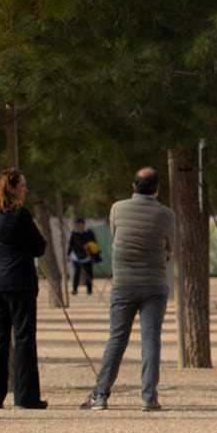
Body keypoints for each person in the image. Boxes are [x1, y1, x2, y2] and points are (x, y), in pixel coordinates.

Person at [82, 166, 174, 412]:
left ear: (133, 186)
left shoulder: (117, 208)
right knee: (151, 338)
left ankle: (100, 394)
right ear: (157, 188)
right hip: (154, 283)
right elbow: (170, 246)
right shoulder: (166, 215)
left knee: (117, 338)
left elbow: (115, 235)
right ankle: (148, 397)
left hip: (123, 283)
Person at [0, 168, 48, 409]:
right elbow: (38, 247)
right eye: (22, 185)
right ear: (12, 188)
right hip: (18, 282)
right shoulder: (19, 216)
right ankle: (26, 396)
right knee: (24, 338)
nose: (25, 189)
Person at [66, 216, 100, 295]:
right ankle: (74, 289)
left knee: (89, 273)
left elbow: (94, 242)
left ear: (83, 224)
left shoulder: (89, 232)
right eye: (77, 224)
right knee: (76, 273)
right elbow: (71, 245)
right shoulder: (74, 233)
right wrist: (68, 254)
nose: (79, 225)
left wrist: (88, 245)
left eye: (80, 224)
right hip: (76, 256)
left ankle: (89, 290)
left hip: (87, 255)